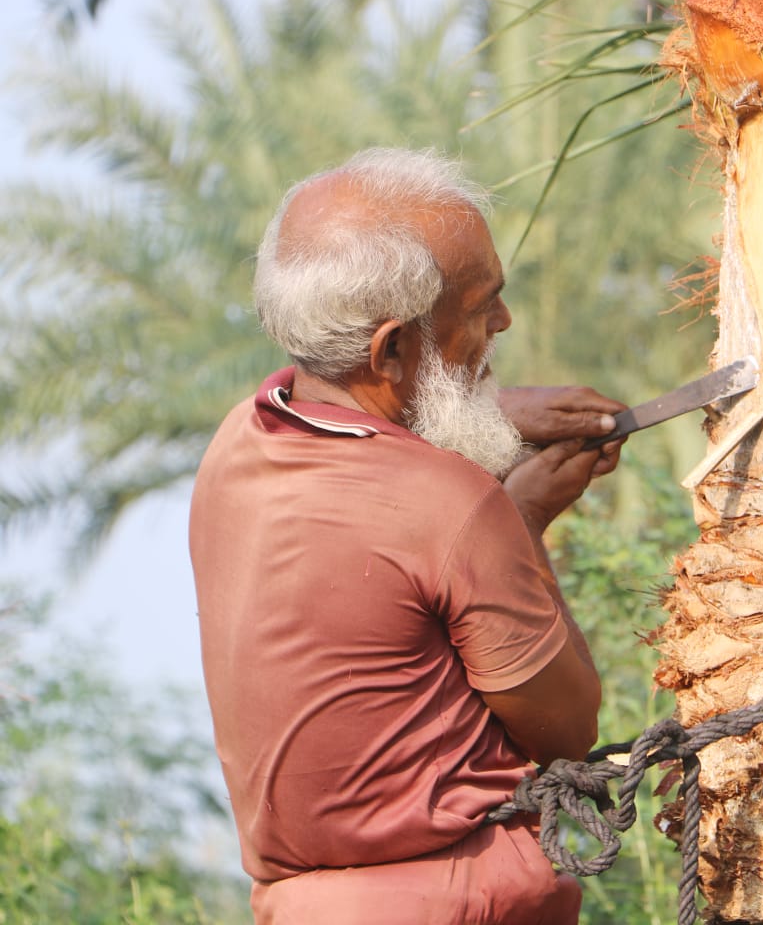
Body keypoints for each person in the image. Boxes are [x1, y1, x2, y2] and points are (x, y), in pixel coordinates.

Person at [189, 147, 626, 924]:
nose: (503, 322)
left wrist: (499, 412)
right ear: (392, 349)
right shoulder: (452, 506)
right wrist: (523, 520)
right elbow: (565, 729)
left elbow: (367, 430)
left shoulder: (236, 447)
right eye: (482, 305)